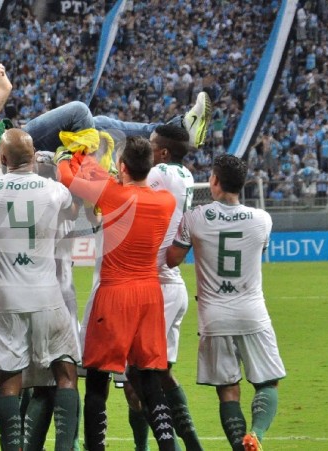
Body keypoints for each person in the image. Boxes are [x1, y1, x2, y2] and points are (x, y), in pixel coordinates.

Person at [0, 26, 211, 162]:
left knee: (97, 122)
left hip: (14, 144)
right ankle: (90, 169)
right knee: (78, 111)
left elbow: (3, 85)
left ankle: (179, 129)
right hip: (5, 150)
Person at [56, 136, 177, 451]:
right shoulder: (166, 201)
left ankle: (97, 447)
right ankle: (167, 445)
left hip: (114, 294)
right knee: (150, 379)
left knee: (97, 379)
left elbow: (69, 176)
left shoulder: (111, 193)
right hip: (149, 295)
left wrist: (68, 154)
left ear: (122, 167)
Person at [167, 154, 286, 451]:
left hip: (213, 316)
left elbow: (172, 259)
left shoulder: (194, 217)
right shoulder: (263, 219)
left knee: (228, 391)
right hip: (252, 312)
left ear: (214, 181)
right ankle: (255, 435)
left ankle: (238, 445)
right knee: (267, 383)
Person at [0, 128, 81, 451]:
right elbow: (73, 209)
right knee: (65, 373)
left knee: (10, 381)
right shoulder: (53, 190)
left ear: (3, 159)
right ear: (34, 156)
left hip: (8, 299)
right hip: (48, 296)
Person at [120, 124, 203, 450]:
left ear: (164, 153)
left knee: (138, 378)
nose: (147, 149)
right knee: (160, 376)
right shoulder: (182, 175)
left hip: (156, 288)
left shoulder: (163, 173)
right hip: (170, 287)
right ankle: (192, 445)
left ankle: (166, 446)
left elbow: (128, 181)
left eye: (152, 146)